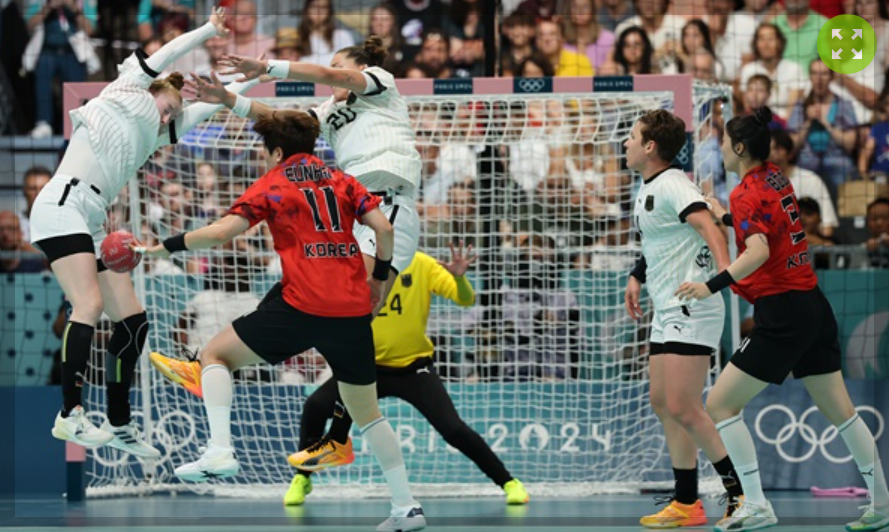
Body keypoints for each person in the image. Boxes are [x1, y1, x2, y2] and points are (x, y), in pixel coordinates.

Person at [143, 110, 426, 532]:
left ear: (277, 152)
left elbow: (221, 233)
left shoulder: (274, 183)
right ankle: (406, 507)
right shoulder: (343, 181)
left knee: (215, 355)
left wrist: (163, 248)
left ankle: (220, 449)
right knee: (367, 414)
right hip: (351, 311)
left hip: (302, 305)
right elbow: (383, 230)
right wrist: (380, 279)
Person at [27, 7, 252, 457]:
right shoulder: (126, 88)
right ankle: (70, 413)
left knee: (133, 322)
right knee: (88, 305)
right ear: (153, 90)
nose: (169, 117)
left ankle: (119, 422)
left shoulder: (156, 133)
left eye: (174, 115)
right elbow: (167, 51)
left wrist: (250, 80)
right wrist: (209, 29)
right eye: (169, 107)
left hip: (92, 220)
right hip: (62, 204)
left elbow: (210, 107)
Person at [151, 244, 531, 507]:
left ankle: (508, 482)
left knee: (453, 429)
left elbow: (465, 300)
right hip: (363, 366)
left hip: (412, 368)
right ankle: (302, 478)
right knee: (315, 406)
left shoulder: (422, 264)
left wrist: (460, 277)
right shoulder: (353, 264)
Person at [676, 107, 889, 532]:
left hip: (783, 313)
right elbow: (768, 226)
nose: (720, 147)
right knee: (842, 412)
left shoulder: (745, 192)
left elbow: (757, 251)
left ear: (739, 148)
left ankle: (756, 505)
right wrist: (725, 217)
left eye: (724, 141)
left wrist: (710, 286)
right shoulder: (776, 177)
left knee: (720, 404)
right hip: (812, 305)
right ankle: (882, 504)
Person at [190, 35, 422, 319]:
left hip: (388, 204)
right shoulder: (328, 111)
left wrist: (268, 66)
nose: (332, 75)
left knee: (358, 310)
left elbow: (327, 74)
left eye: (339, 65)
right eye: (333, 66)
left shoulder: (380, 82)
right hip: (352, 213)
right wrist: (228, 99)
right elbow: (278, 119)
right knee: (325, 306)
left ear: (361, 68)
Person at [623, 110, 744, 528]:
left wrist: (724, 273)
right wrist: (637, 275)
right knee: (663, 403)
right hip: (668, 306)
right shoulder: (649, 186)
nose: (625, 143)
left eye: (632, 136)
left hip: (693, 304)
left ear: (649, 146)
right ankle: (687, 502)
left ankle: (741, 495)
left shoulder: (674, 183)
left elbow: (708, 226)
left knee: (683, 405)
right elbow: (663, 239)